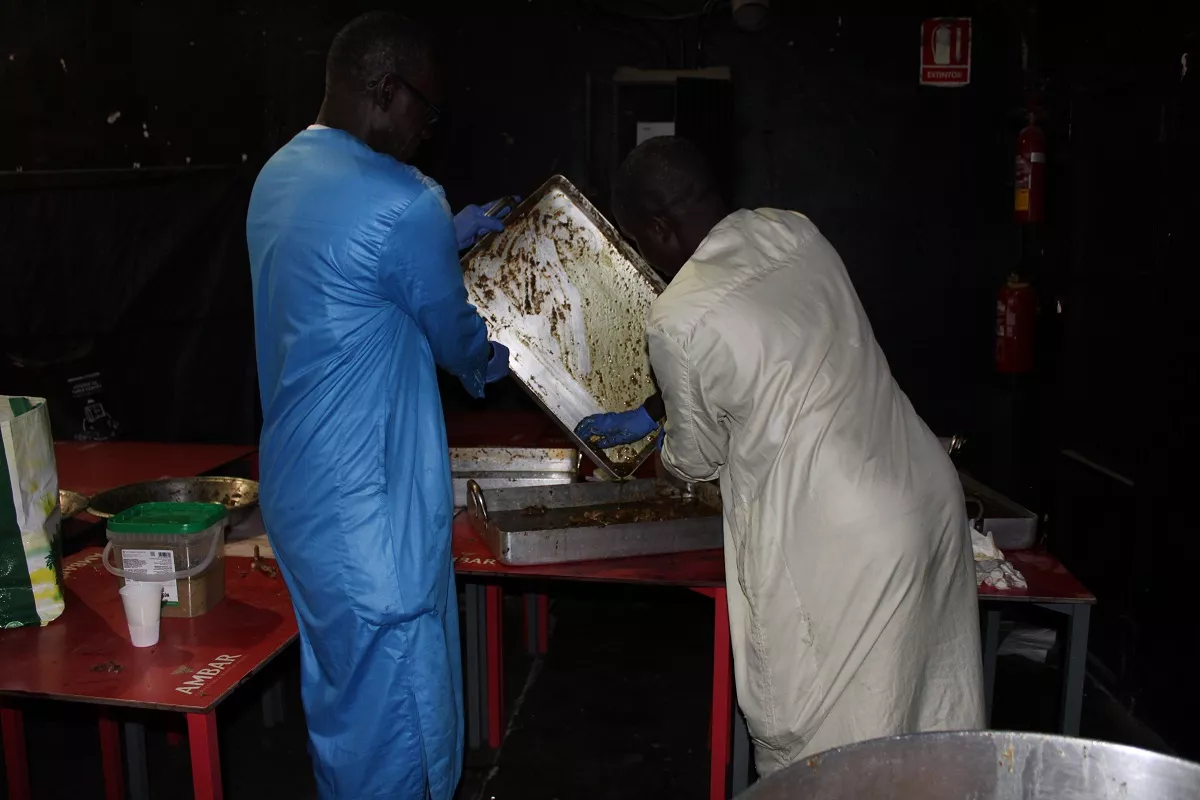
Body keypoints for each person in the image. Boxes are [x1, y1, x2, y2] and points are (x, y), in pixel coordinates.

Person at [577, 137, 985, 774]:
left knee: (837, 751)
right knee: (925, 727)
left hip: (846, 536)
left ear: (656, 229)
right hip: (924, 490)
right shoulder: (792, 230)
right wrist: (662, 405)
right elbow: (781, 347)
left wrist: (661, 443)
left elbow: (697, 460)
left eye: (635, 243)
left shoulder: (676, 318)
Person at [246, 12, 514, 799]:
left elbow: (344, 277)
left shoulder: (277, 175)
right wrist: (493, 360)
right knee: (405, 726)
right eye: (426, 111)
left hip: (299, 497)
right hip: (373, 515)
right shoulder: (407, 199)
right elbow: (456, 338)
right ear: (387, 91)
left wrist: (443, 239)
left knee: (344, 706)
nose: (428, 131)